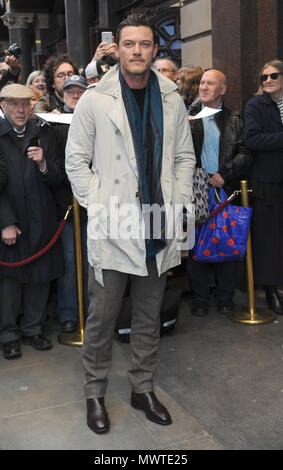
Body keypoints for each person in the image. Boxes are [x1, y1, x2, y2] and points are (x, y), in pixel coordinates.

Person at [66, 13, 195, 434]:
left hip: (158, 221)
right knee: (102, 318)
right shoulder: (93, 99)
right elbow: (75, 161)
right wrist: (99, 204)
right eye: (129, 44)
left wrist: (180, 205)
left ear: (155, 50)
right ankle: (95, 392)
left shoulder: (173, 99)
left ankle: (142, 388)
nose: (137, 51)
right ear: (116, 49)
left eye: (144, 44)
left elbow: (183, 158)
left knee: (148, 314)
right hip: (113, 223)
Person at [0, 84, 65, 360]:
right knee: (9, 283)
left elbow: (60, 176)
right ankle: (9, 334)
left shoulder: (45, 132)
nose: (21, 110)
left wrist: (43, 165)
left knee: (39, 277)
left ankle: (33, 329)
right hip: (10, 219)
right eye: (14, 104)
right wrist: (5, 222)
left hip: (42, 219)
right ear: (3, 106)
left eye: (26, 104)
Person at [187, 68, 251, 316]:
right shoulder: (189, 118)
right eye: (202, 82)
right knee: (196, 246)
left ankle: (225, 296)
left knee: (229, 241)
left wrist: (226, 173)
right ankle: (200, 298)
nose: (203, 87)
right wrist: (202, 175)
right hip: (198, 191)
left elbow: (246, 153)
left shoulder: (236, 118)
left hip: (228, 189)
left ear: (222, 89)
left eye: (210, 83)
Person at [244, 59, 283, 314]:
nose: (268, 80)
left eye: (274, 76)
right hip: (268, 180)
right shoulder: (256, 104)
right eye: (264, 77)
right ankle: (270, 289)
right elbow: (252, 138)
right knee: (269, 238)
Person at [52, 75, 89, 333]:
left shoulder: (93, 121)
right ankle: (68, 312)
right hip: (65, 205)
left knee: (91, 260)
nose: (75, 95)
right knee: (68, 262)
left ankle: (90, 311)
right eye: (70, 91)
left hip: (92, 205)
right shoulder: (53, 123)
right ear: (62, 95)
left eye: (79, 91)